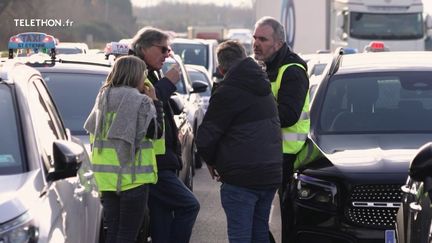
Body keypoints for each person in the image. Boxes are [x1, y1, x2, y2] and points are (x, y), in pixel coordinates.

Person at [196, 40, 283, 243]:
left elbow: (206, 136)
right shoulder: (264, 85)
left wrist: (211, 161)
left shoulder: (227, 91)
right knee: (259, 231)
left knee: (240, 236)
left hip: (242, 177)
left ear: (220, 68)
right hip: (270, 173)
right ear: (244, 59)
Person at [130, 27, 200, 243]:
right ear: (144, 48)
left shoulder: (149, 72)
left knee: (161, 218)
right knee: (190, 205)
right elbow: (142, 107)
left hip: (159, 161)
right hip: (152, 164)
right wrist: (168, 83)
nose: (167, 54)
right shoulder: (133, 71)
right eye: (163, 49)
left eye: (169, 49)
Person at [84, 55, 164, 243]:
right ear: (137, 76)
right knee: (128, 234)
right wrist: (155, 102)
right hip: (134, 178)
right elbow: (156, 132)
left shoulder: (102, 98)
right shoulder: (141, 101)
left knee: (112, 232)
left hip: (106, 180)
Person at [253, 16, 310, 243]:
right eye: (255, 37)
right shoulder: (267, 66)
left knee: (286, 217)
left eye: (263, 39)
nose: (256, 43)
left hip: (288, 155)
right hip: (271, 153)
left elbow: (287, 116)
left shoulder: (292, 70)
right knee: (257, 216)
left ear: (278, 43)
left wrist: (254, 110)